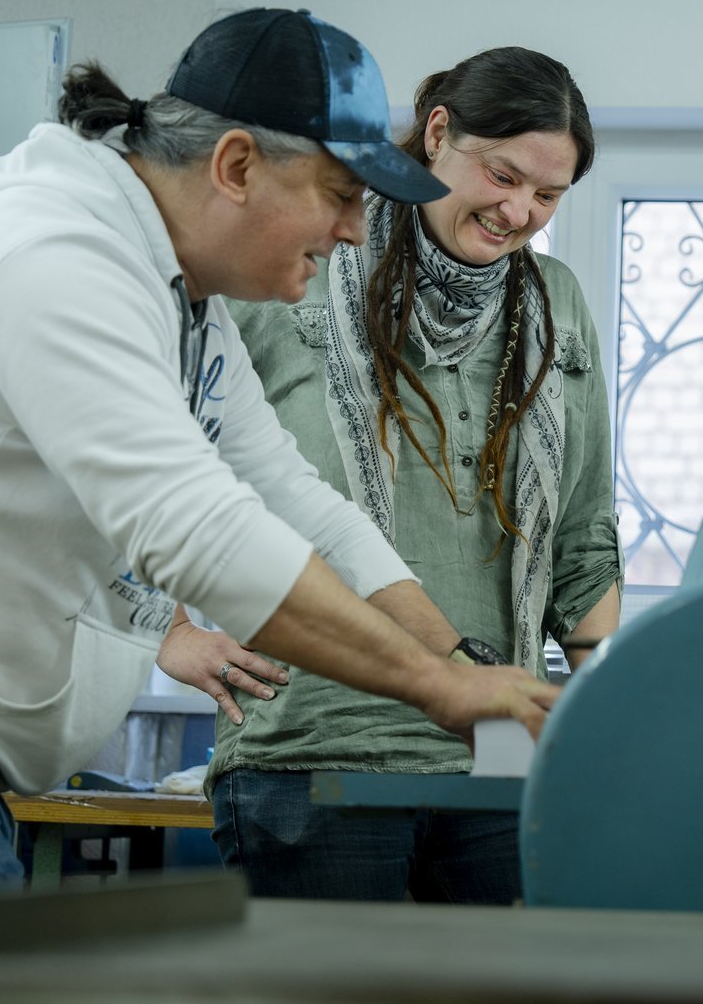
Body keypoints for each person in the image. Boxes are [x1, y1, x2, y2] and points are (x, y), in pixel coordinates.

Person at [0, 8, 559, 903]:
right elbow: (197, 532)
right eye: (340, 194)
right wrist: (433, 687)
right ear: (235, 166)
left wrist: (461, 667)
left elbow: (293, 498)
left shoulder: (179, 300)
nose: (351, 231)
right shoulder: (55, 261)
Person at [158, 47, 622, 903]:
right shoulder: (294, 265)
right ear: (438, 132)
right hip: (309, 750)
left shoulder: (554, 301)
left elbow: (584, 540)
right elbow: (158, 463)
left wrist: (598, 716)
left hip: (496, 756)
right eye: (503, 174)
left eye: (549, 195)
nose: (520, 210)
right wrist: (166, 627)